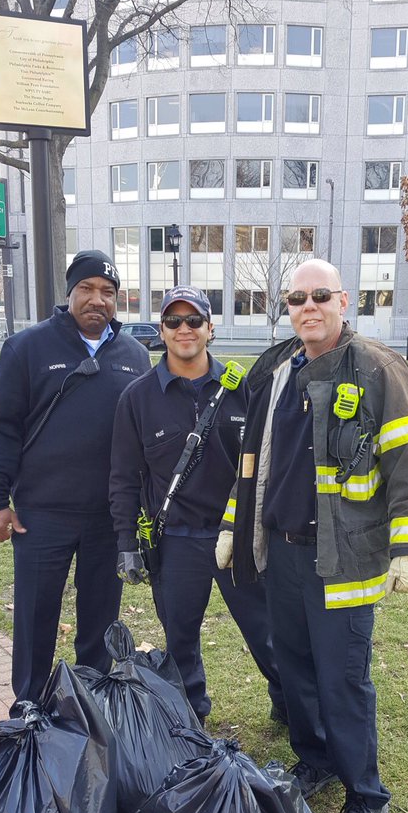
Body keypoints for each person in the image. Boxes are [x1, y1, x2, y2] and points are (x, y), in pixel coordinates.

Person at [216, 259, 408, 813]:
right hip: (282, 555)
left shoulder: (375, 368)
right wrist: (235, 525)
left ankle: (366, 795)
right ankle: (314, 760)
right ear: (287, 308)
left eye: (319, 296)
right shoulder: (277, 369)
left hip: (343, 560)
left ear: (344, 301)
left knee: (342, 681)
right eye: (296, 299)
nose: (307, 307)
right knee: (295, 670)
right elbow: (253, 462)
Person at [0, 249, 150, 709]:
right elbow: (3, 428)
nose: (98, 300)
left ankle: (89, 708)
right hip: (41, 515)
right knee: (36, 620)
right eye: (87, 289)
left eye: (108, 292)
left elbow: (145, 437)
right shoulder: (27, 348)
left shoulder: (135, 356)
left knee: (99, 622)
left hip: (108, 519)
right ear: (70, 293)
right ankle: (29, 707)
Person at [109, 285, 286, 727]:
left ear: (210, 328)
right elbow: (124, 477)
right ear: (162, 331)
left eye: (193, 320)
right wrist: (126, 543)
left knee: (267, 632)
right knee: (181, 639)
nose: (183, 329)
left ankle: (290, 706)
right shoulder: (137, 397)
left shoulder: (243, 390)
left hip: (237, 536)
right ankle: (192, 721)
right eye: (173, 321)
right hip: (176, 540)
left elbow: (268, 464)